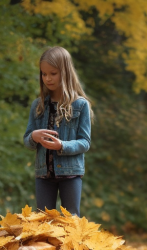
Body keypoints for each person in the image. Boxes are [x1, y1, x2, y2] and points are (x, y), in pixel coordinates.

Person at [23, 46, 93, 216]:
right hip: (43, 174)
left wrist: (62, 145)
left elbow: (85, 142)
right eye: (44, 74)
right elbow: (27, 140)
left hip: (71, 173)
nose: (47, 78)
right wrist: (34, 136)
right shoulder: (38, 105)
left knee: (71, 220)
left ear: (65, 72)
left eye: (53, 73)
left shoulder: (80, 105)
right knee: (42, 222)